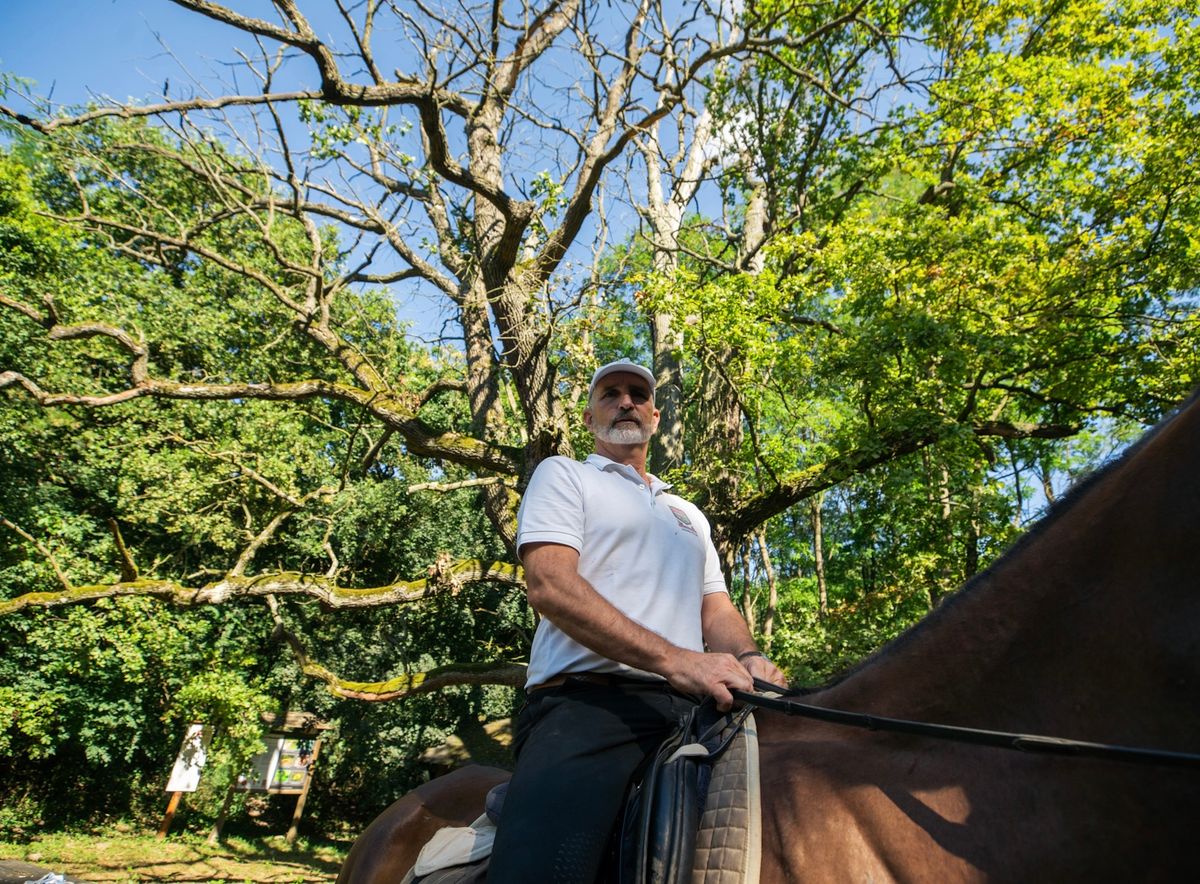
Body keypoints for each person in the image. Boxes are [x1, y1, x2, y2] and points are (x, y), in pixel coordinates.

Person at [488, 359, 787, 883]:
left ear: (654, 415)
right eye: (610, 393)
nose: (625, 401)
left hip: (698, 709)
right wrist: (677, 660)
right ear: (588, 417)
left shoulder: (689, 514)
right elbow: (550, 585)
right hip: (588, 707)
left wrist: (749, 657)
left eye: (636, 394)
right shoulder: (564, 475)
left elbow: (714, 606)